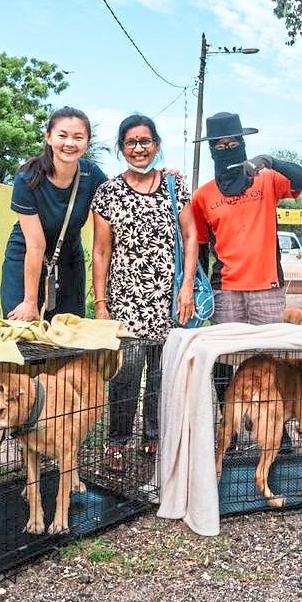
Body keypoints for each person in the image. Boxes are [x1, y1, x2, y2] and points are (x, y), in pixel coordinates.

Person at [190, 111, 302, 452]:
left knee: (269, 361)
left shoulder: (267, 181)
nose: (227, 148)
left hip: (267, 287)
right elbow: (200, 249)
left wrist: (268, 160)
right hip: (225, 288)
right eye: (220, 144)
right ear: (212, 148)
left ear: (243, 144)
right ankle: (227, 430)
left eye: (234, 143)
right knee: (225, 362)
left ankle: (278, 430)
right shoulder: (203, 197)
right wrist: (197, 290)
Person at [90, 114, 199, 472]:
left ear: (157, 144)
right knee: (126, 375)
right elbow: (102, 252)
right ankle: (118, 441)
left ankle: (154, 436)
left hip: (168, 300)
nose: (139, 148)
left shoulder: (173, 186)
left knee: (161, 375)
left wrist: (186, 290)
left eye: (145, 141)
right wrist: (102, 304)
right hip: (126, 302)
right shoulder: (108, 193)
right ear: (122, 149)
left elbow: (190, 236)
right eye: (131, 142)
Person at [1, 107, 108, 321]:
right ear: (48, 137)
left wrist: (160, 176)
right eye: (62, 135)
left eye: (78, 137)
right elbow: (36, 245)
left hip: (69, 259)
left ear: (87, 142)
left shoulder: (92, 175)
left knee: (68, 332)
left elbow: (122, 192)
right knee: (22, 330)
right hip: (26, 256)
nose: (70, 143)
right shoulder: (27, 178)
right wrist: (30, 302)